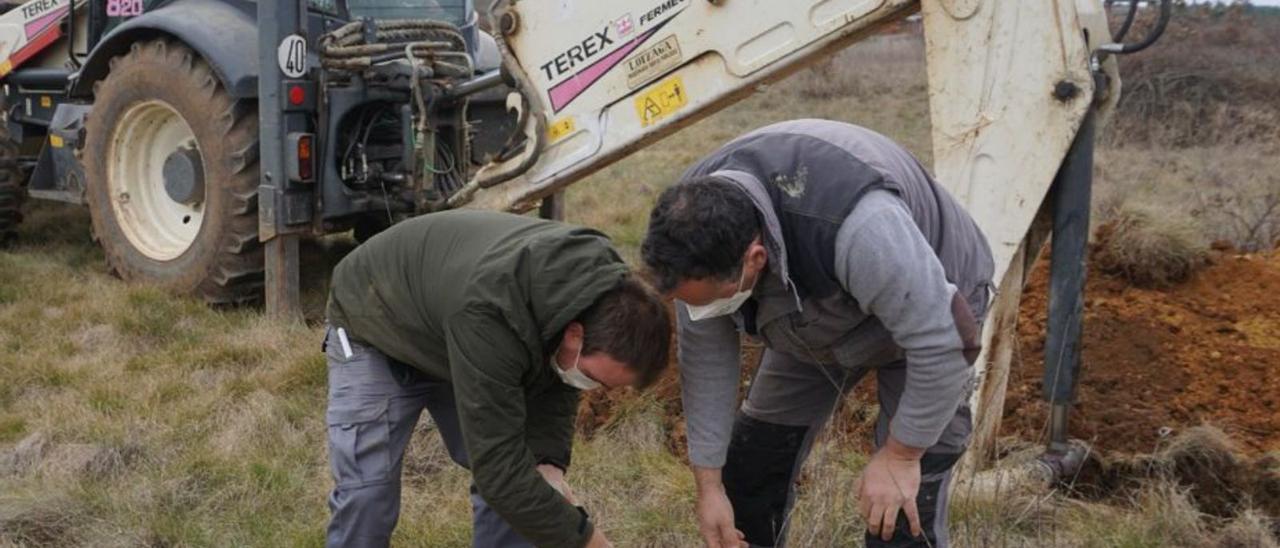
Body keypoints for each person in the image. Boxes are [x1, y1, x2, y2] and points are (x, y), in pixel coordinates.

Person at [641, 119, 994, 547]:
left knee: (899, 512)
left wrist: (902, 455)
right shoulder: (692, 227)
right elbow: (706, 362)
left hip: (930, 315)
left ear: (754, 258)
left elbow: (944, 340)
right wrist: (709, 484)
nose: (702, 312)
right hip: (810, 309)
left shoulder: (860, 227)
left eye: (710, 301)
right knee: (752, 469)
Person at [324, 209, 671, 548]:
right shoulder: (493, 313)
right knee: (368, 493)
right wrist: (587, 540)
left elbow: (558, 382)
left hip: (457, 325)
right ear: (575, 335)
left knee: (526, 480)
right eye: (592, 376)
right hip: (376, 318)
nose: (590, 388)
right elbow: (500, 473)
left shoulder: (597, 293)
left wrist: (547, 462)